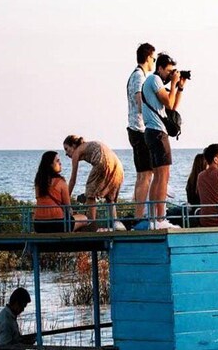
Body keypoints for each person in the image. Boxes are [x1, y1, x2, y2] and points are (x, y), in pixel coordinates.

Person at [139, 52, 188, 230]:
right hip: (157, 132)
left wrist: (179, 87)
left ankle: (154, 217)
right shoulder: (154, 80)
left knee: (160, 176)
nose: (170, 75)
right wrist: (174, 83)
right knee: (162, 176)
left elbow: (173, 106)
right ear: (160, 68)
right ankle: (159, 218)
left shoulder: (156, 83)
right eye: (169, 71)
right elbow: (168, 102)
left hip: (154, 132)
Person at [63, 135, 124, 229]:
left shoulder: (76, 152)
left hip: (103, 161)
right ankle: (115, 222)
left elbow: (72, 180)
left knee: (90, 192)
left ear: (74, 145)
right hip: (117, 166)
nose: (66, 154)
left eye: (67, 149)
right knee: (110, 196)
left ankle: (92, 223)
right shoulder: (87, 145)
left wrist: (66, 201)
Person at [126, 43, 155, 221]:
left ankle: (139, 213)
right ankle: (140, 216)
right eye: (153, 58)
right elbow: (139, 101)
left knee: (141, 175)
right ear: (147, 57)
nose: (154, 62)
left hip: (135, 128)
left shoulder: (136, 75)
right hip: (140, 129)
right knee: (146, 174)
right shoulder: (139, 77)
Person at [33, 151, 86, 233]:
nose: (60, 163)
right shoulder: (60, 182)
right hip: (57, 225)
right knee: (84, 219)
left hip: (38, 225)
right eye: (57, 161)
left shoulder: (38, 183)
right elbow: (68, 207)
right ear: (50, 165)